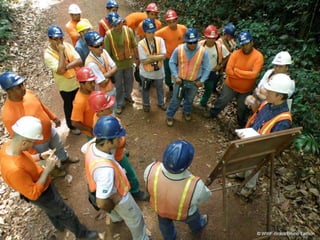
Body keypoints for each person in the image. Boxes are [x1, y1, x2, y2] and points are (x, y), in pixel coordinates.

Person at [0, 116, 98, 239]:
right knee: (64, 212)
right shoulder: (14, 170)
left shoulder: (8, 146)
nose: (34, 144)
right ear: (24, 142)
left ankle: (59, 225)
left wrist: (40, 156)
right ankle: (83, 234)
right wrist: (47, 170)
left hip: (39, 184)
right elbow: (34, 193)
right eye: (33, 142)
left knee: (51, 210)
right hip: (42, 193)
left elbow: (26, 159)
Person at [82, 116, 150, 240]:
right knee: (136, 219)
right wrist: (113, 204)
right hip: (118, 197)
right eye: (118, 137)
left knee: (115, 213)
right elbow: (101, 202)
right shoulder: (105, 171)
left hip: (101, 188)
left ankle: (116, 217)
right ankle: (142, 238)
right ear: (107, 142)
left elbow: (83, 149)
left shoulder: (92, 144)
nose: (121, 139)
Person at [0, 72, 79, 175]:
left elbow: (41, 106)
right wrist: (32, 152)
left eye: (22, 85)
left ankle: (64, 158)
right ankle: (55, 171)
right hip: (37, 143)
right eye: (18, 87)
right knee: (46, 158)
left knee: (59, 145)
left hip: (49, 130)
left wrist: (53, 117)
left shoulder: (28, 93)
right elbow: (17, 138)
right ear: (9, 91)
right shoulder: (8, 114)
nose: (23, 88)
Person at [234, 73, 295, 198]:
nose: (266, 93)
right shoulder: (267, 104)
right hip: (250, 138)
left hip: (260, 149)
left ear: (280, 96)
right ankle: (241, 175)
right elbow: (258, 119)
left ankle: (248, 186)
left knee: (253, 166)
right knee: (244, 158)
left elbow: (275, 142)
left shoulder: (283, 120)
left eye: (270, 92)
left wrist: (257, 140)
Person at [88, 91, 149, 201]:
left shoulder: (101, 117)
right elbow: (117, 143)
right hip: (117, 155)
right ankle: (135, 191)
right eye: (108, 106)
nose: (111, 107)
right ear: (100, 110)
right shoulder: (101, 125)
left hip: (118, 149)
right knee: (130, 173)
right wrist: (122, 142)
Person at [144, 140, 211, 240]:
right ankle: (198, 227)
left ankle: (169, 237)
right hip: (186, 214)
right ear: (187, 164)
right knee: (195, 219)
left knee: (164, 225)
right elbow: (205, 197)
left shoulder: (150, 169)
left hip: (161, 210)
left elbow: (148, 184)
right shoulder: (196, 186)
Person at [204, 30, 264, 127]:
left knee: (242, 108)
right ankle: (212, 113)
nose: (245, 46)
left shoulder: (258, 57)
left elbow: (254, 75)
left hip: (245, 90)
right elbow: (228, 71)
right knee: (222, 100)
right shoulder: (235, 54)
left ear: (252, 42)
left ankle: (241, 123)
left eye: (247, 44)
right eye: (243, 44)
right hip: (230, 85)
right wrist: (245, 74)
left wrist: (236, 71)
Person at [166, 28, 210, 127]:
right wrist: (175, 76)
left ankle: (187, 112)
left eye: (194, 42)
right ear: (185, 41)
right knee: (175, 100)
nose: (192, 45)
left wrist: (202, 80)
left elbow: (207, 68)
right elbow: (172, 62)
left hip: (194, 82)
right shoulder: (179, 49)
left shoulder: (203, 52)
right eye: (190, 43)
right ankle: (170, 115)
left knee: (189, 100)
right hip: (180, 81)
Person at [44, 25, 83, 135]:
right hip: (65, 86)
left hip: (76, 81)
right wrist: (61, 52)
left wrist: (66, 67)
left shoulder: (68, 46)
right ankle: (71, 125)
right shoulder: (48, 54)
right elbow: (60, 71)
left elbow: (79, 60)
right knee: (69, 105)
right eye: (55, 39)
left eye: (60, 38)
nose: (59, 41)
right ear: (50, 39)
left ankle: (80, 121)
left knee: (79, 102)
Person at [104, 12, 139, 114]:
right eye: (115, 25)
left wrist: (137, 58)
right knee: (118, 84)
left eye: (119, 23)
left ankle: (128, 96)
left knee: (129, 80)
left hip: (128, 62)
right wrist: (110, 68)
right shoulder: (108, 36)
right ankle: (120, 103)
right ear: (111, 25)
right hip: (117, 65)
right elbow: (107, 53)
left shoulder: (128, 31)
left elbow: (134, 45)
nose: (118, 26)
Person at [155, 9, 187, 97]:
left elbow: (188, 38)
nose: (172, 23)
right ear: (167, 22)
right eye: (170, 22)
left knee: (181, 73)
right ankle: (170, 87)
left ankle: (180, 90)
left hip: (180, 56)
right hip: (168, 57)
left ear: (177, 20)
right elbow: (153, 36)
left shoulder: (183, 28)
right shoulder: (163, 31)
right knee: (168, 74)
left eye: (174, 21)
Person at [198, 25, 230, 109]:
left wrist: (221, 65)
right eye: (209, 38)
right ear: (205, 37)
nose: (211, 40)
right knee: (193, 86)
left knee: (209, 89)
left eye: (213, 38)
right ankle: (188, 101)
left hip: (212, 71)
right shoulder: (200, 45)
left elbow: (227, 55)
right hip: (199, 70)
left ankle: (202, 103)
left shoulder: (219, 46)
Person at [84, 30, 118, 111]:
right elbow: (102, 83)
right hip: (101, 95)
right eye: (97, 46)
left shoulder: (104, 52)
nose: (100, 47)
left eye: (101, 44)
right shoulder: (91, 63)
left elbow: (116, 67)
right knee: (108, 114)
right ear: (90, 47)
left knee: (114, 111)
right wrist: (110, 72)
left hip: (112, 89)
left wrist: (103, 75)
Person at [138, 18, 167, 112]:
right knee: (145, 89)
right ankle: (146, 104)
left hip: (158, 71)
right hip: (146, 73)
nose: (151, 34)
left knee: (160, 88)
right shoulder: (141, 44)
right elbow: (144, 61)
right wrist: (157, 57)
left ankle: (161, 102)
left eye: (153, 32)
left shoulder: (160, 40)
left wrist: (150, 57)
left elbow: (164, 56)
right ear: (145, 32)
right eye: (149, 32)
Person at [71, 67, 97, 140]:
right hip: (93, 133)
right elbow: (75, 122)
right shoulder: (80, 102)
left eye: (93, 81)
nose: (93, 84)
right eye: (90, 83)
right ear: (82, 84)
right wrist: (90, 130)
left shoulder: (91, 91)